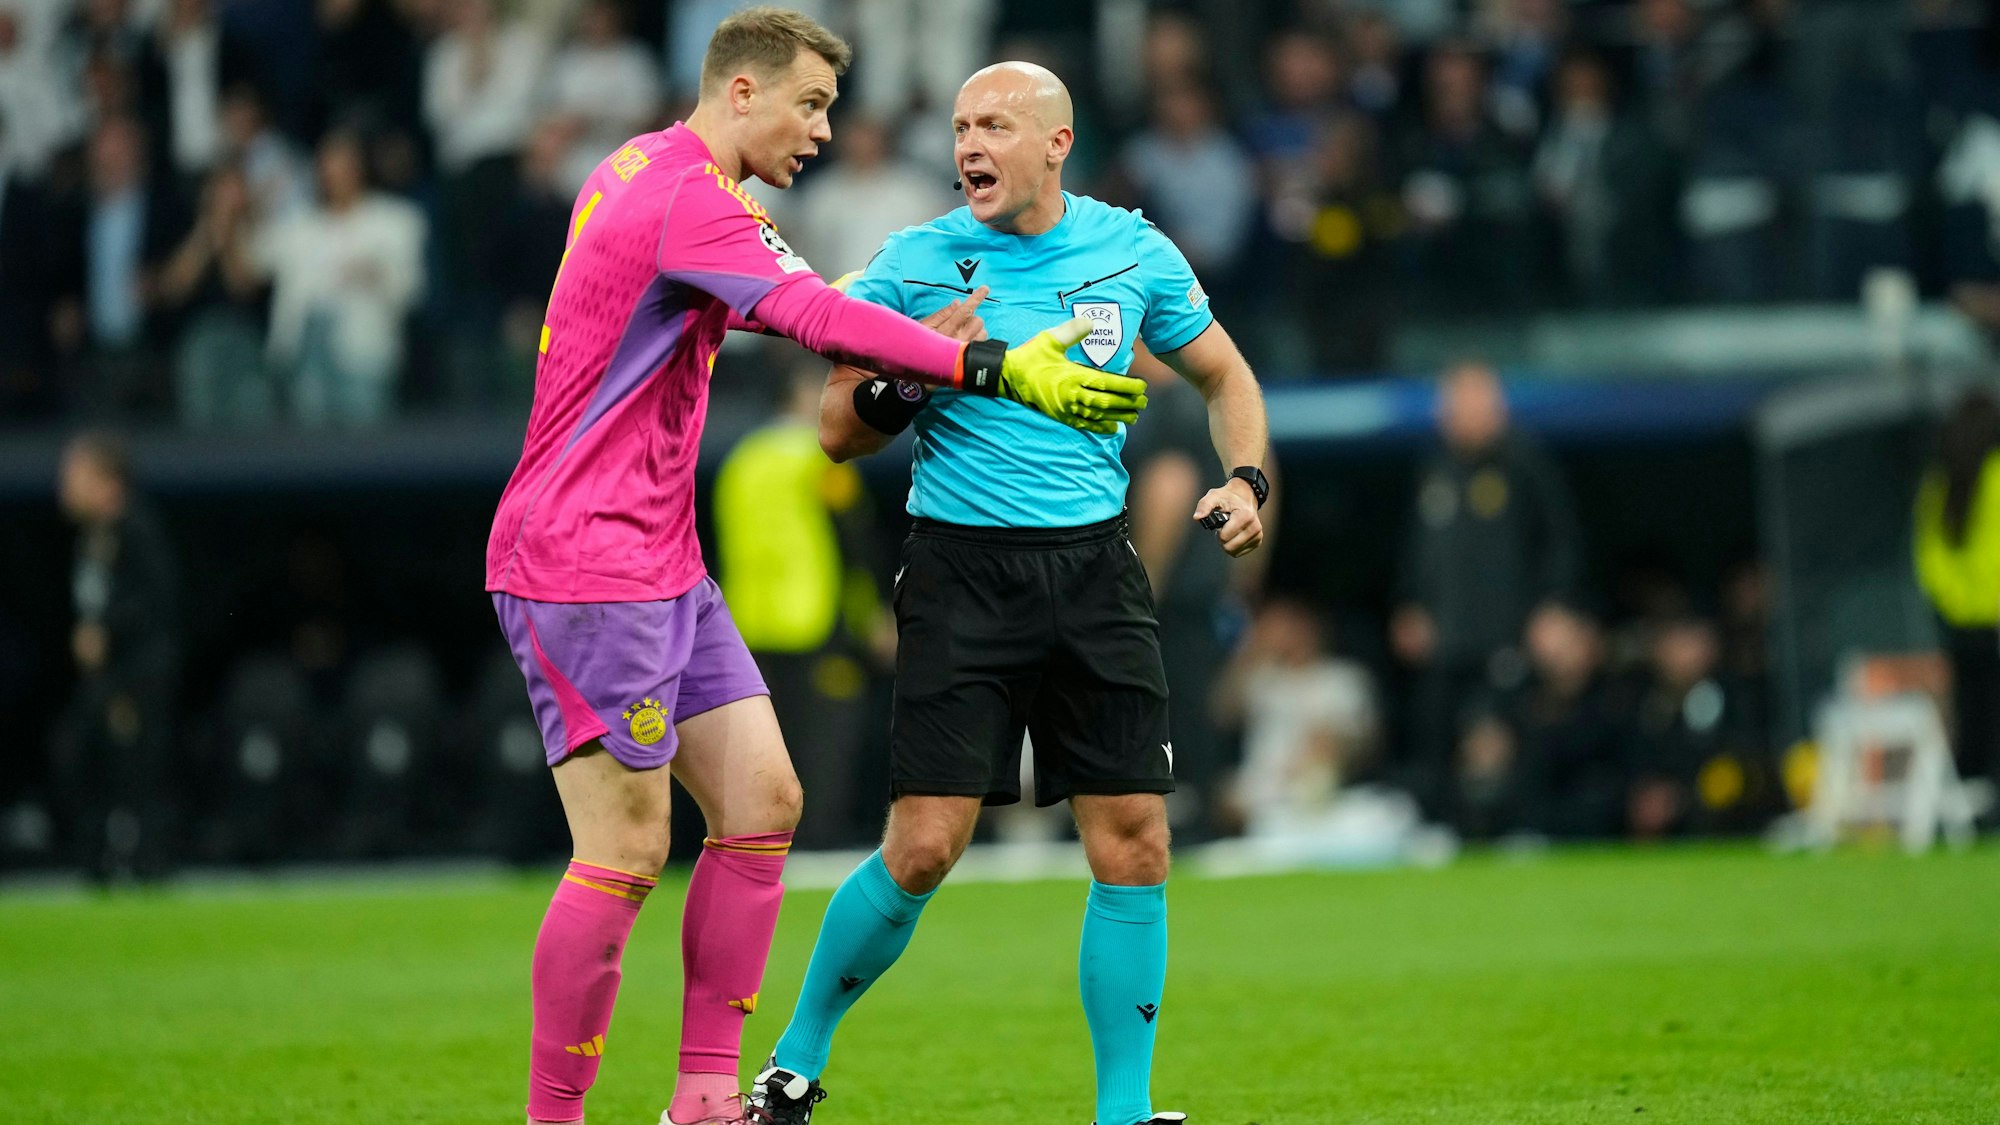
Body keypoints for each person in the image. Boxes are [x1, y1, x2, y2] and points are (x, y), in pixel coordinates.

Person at [481, 10, 1148, 1125]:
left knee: (763, 803)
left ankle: (702, 1099)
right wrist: (986, 363)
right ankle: (555, 1120)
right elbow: (801, 313)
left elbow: (810, 294)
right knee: (628, 844)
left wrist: (907, 328)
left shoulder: (648, 172)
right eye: (810, 105)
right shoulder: (685, 196)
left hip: (658, 559)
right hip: (581, 561)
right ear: (741, 94)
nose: (824, 132)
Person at [753, 60, 1269, 1125]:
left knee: (1132, 838)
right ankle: (792, 1068)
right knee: (924, 846)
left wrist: (1247, 478)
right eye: (957, 128)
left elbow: (1226, 375)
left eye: (992, 125)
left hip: (1093, 569)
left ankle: (1123, 1114)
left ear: (1054, 141)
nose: (967, 148)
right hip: (960, 573)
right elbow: (836, 431)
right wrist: (915, 373)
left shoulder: (1131, 248)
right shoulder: (914, 261)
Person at [1392, 360, 1582, 820]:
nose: (1462, 413)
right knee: (1437, 732)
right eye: (1454, 403)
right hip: (1448, 642)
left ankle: (1525, 827)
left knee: (1513, 735)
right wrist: (1411, 604)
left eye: (1475, 402)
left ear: (1497, 407)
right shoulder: (1434, 470)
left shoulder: (1525, 463)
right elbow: (1416, 550)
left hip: (1509, 637)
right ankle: (1442, 829)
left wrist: (1554, 608)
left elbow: (1560, 542)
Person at [50, 431, 180, 883]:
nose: (64, 485)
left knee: (136, 768)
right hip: (104, 676)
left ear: (108, 481)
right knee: (82, 755)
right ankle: (97, 858)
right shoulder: (91, 537)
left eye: (76, 475)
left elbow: (157, 600)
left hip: (135, 674)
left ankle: (145, 865)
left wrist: (107, 630)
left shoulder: (136, 528)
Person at [1913, 390, 2000, 791]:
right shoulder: (1994, 473)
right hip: (1990, 618)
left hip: (1959, 623)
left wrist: (1953, 603)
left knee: (1972, 712)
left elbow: (1929, 557)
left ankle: (1972, 793)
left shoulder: (1942, 481)